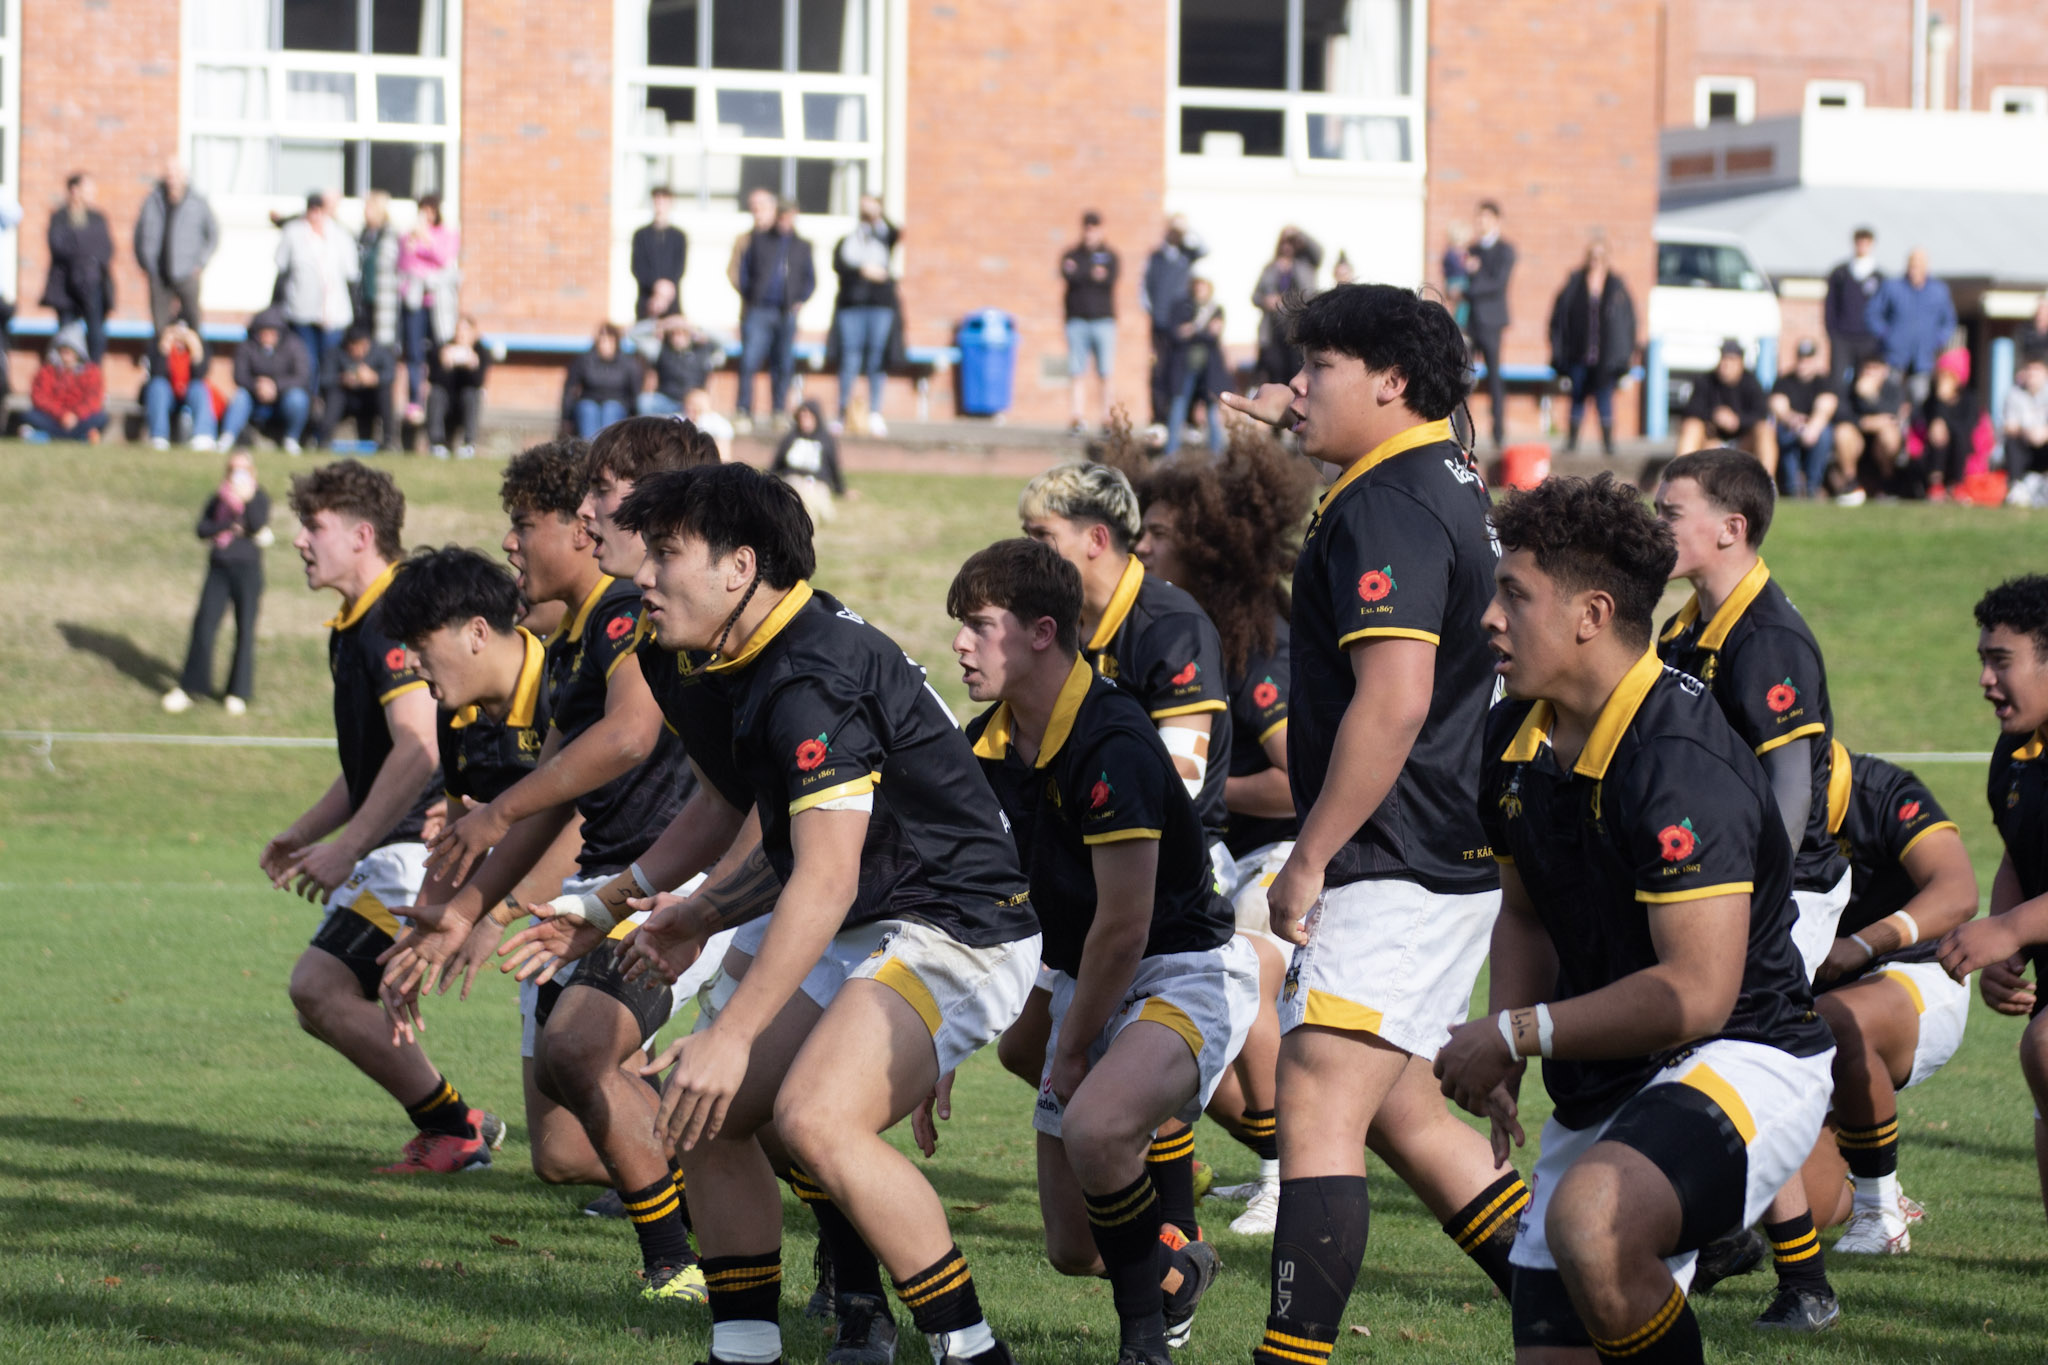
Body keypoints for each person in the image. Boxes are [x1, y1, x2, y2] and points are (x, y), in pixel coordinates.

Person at [588, 461, 1042, 1365]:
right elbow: (786, 841)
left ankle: (973, 1350)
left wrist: (731, 1032)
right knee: (699, 1112)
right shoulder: (743, 652)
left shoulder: (812, 677)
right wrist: (697, 910)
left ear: (739, 566)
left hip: (961, 927)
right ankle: (746, 1349)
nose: (643, 573)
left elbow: (827, 877)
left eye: (666, 553)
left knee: (814, 1119)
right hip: (872, 919)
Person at [1439, 471, 1834, 1365]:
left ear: (1591, 614)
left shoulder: (1679, 762)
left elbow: (1696, 994)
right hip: (1610, 1074)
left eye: (1514, 595)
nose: (1488, 618)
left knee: (1595, 1219)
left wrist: (1515, 1027)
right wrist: (1512, 1046)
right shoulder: (1512, 739)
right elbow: (1527, 915)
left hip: (1746, 1051)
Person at [1219, 283, 1537, 1359]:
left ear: (1390, 383)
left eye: (1318, 368)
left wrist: (1307, 857)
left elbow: (1394, 697)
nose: (1299, 386)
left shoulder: (1387, 502)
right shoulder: (1434, 469)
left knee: (1312, 1090)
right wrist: (1302, 417)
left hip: (1394, 849)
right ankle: (1578, 1314)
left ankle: (1290, 1353)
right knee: (1401, 1111)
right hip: (1442, 841)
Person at [951, 537, 1247, 1364]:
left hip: (1181, 966)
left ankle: (1143, 1347)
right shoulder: (987, 746)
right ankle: (1177, 1271)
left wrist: (1074, 1047)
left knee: (1096, 1128)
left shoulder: (1111, 738)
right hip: (1088, 966)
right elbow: (974, 902)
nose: (960, 645)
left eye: (979, 625)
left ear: (1042, 632)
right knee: (1072, 1248)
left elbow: (1126, 923)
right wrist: (937, 1039)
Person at [1653, 450, 1852, 1332]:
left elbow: (1790, 793)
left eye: (1671, 512)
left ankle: (1804, 1283)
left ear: (1730, 529)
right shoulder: (1688, 624)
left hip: (1785, 890)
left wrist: (1748, 908)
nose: (1657, 523)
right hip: (1722, 886)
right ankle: (1728, 1236)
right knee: (1695, 1054)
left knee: (1738, 1057)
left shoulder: (1765, 636)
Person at [258, 460, 500, 1173]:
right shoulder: (358, 622)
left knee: (319, 985)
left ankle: (455, 1126)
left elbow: (420, 745)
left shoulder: (396, 617)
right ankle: (457, 1118)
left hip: (417, 850)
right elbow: (372, 759)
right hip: (391, 846)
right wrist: (307, 832)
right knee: (326, 992)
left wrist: (348, 845)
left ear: (363, 534)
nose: (301, 541)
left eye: (315, 526)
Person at [1132, 443, 1321, 1237]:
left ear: (1206, 545)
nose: (1142, 544)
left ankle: (1287, 1178)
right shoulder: (1166, 627)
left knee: (1238, 961)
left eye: (1161, 533)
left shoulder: (1253, 641)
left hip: (1284, 853)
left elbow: (1293, 781)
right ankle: (1220, 1153)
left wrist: (1198, 797)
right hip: (1217, 852)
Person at [1791, 744, 1977, 1255]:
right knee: (1799, 1203)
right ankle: (1871, 1191)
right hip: (1812, 1011)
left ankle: (1880, 1216)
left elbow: (1958, 891)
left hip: (1919, 976)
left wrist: (1863, 945)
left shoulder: (1883, 790)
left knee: (1841, 1017)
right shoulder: (1748, 799)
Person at [1937, 576, 2048, 1221]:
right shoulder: (2014, 753)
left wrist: (2011, 929)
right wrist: (2006, 943)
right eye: (1983, 659)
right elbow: (2020, 845)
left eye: (2001, 661)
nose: (1985, 678)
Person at [163, 451, 270, 716]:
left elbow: (257, 524)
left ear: (253, 472)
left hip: (247, 570)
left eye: (244, 469)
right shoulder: (218, 498)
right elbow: (202, 529)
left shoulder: (259, 497)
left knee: (245, 630)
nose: (238, 474)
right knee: (204, 625)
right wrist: (229, 524)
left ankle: (238, 692)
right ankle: (192, 686)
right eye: (234, 469)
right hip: (219, 569)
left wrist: (245, 502)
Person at [1546, 235, 1637, 456]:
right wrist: (1559, 351)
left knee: (1604, 398)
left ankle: (1608, 444)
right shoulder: (1575, 283)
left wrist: (1626, 354)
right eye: (1592, 256)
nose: (1596, 261)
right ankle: (1572, 441)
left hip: (1606, 355)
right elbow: (1559, 318)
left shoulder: (1616, 286)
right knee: (1577, 397)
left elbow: (1628, 322)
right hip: (1579, 352)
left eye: (1601, 256)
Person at [736, 200, 815, 426]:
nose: (785, 221)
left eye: (790, 217)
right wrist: (752, 296)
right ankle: (744, 410)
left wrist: (800, 299)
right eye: (782, 216)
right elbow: (744, 272)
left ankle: (779, 412)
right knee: (749, 360)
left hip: (786, 312)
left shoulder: (802, 245)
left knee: (783, 363)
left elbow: (810, 279)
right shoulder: (760, 240)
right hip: (760, 310)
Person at [275, 191, 359, 378]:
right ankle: (311, 401)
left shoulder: (339, 234)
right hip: (301, 311)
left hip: (333, 312)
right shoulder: (294, 233)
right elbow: (282, 270)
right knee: (307, 361)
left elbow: (351, 274)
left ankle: (326, 402)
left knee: (330, 361)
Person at [833, 195, 899, 433]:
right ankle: (842, 411)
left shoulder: (884, 236)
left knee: (876, 358)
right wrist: (864, 270)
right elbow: (840, 264)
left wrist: (878, 215)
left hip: (880, 307)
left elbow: (894, 233)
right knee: (849, 358)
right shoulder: (850, 240)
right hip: (851, 306)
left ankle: (875, 412)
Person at [134, 156, 218, 334]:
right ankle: (160, 361)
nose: (172, 179)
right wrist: (145, 264)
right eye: (169, 174)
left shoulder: (198, 202)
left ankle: (196, 361)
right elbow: (139, 234)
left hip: (187, 272)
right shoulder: (152, 201)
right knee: (160, 327)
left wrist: (200, 264)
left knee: (193, 321)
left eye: (176, 174)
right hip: (158, 273)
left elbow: (213, 235)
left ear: (184, 176)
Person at [398, 193, 460, 424]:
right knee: (414, 352)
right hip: (415, 302)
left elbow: (445, 259)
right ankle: (415, 400)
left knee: (440, 350)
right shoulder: (408, 234)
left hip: (439, 305)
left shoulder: (447, 234)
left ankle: (441, 397)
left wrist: (427, 243)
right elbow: (406, 265)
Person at [1142, 215, 1206, 436]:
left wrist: (1187, 229)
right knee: (1159, 371)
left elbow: (1205, 247)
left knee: (1184, 371)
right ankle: (1159, 419)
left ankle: (1188, 420)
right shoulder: (1157, 257)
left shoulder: (1188, 254)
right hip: (1160, 326)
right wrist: (1155, 314)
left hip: (1182, 324)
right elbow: (1145, 289)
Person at [1867, 248, 1956, 407]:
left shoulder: (1938, 290)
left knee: (1919, 398)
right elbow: (1873, 313)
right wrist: (1886, 335)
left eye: (1919, 265)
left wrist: (1938, 340)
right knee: (1890, 397)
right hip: (1894, 355)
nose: (1915, 269)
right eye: (1912, 265)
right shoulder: (1892, 287)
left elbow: (1949, 321)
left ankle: (1915, 431)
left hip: (1923, 356)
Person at [43, 171, 114, 363]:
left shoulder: (97, 218)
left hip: (93, 286)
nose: (92, 193)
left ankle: (92, 379)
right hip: (65, 289)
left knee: (96, 336)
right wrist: (83, 257)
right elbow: (59, 247)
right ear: (74, 190)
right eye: (88, 188)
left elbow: (105, 250)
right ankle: (67, 382)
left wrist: (85, 263)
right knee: (67, 338)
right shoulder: (59, 218)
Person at [222, 306, 314, 454]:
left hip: (284, 396)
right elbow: (239, 375)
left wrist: (275, 386)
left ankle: (291, 438)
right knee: (240, 396)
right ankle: (227, 437)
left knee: (298, 398)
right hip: (254, 395)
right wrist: (257, 385)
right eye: (263, 333)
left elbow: (302, 377)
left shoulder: (294, 346)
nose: (267, 337)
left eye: (272, 333)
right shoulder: (247, 346)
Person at [1675, 340, 1775, 475]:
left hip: (1743, 444)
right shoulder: (1706, 381)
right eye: (1723, 359)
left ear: (1740, 363)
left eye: (1731, 360)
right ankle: (1680, 476)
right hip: (1711, 442)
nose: (1725, 364)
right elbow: (1690, 410)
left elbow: (1762, 413)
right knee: (1691, 425)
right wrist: (1714, 415)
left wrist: (1737, 420)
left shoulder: (1751, 382)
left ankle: (1767, 481)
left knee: (1765, 429)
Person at [1061, 211, 1120, 436]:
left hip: (1103, 321)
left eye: (1094, 227)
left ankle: (1107, 419)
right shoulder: (1073, 254)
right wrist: (1090, 274)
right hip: (1077, 321)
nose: (1090, 232)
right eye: (1087, 227)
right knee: (1077, 371)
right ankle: (1077, 417)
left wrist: (1083, 274)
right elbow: (1070, 275)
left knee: (1105, 371)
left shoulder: (1109, 255)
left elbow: (1108, 279)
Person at [1464, 200, 1516, 448]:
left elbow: (1498, 283)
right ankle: (1462, 434)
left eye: (1485, 218)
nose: (1480, 222)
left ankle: (1498, 432)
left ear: (1495, 220)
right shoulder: (1471, 249)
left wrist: (1475, 275)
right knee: (1463, 375)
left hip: (1492, 321)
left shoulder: (1505, 250)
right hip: (1470, 321)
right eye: (1478, 217)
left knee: (1494, 376)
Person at [1164, 275, 1229, 458]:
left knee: (1211, 407)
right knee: (1179, 405)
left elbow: (1213, 335)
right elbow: (1176, 334)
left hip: (1209, 368)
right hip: (1185, 365)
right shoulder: (1181, 306)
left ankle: (1217, 453)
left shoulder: (1215, 309)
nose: (1201, 289)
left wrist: (1192, 330)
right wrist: (1199, 329)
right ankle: (1171, 452)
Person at [1829, 352, 1907, 506]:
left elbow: (1892, 418)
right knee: (1843, 432)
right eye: (1867, 368)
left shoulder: (1893, 389)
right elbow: (1841, 416)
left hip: (1880, 446)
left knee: (1890, 434)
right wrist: (1865, 422)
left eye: (1875, 368)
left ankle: (1888, 484)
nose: (1870, 372)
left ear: (1884, 371)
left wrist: (1871, 397)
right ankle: (1850, 484)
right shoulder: (1850, 389)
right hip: (1856, 442)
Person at [1767, 340, 1838, 499]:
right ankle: (1792, 487)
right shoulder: (1784, 381)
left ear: (1814, 360)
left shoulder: (1824, 381)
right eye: (1801, 358)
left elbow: (1826, 405)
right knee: (1783, 433)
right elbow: (1778, 405)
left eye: (1808, 359)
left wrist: (1812, 427)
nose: (1804, 363)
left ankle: (1813, 485)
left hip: (1814, 429)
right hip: (1791, 427)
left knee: (1825, 434)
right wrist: (1792, 420)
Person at [1909, 347, 1979, 500]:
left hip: (1960, 450)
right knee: (1938, 433)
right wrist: (1940, 405)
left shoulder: (1970, 399)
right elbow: (1926, 424)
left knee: (1956, 434)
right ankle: (1936, 483)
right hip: (1935, 451)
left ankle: (1957, 483)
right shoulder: (1932, 401)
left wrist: (1944, 423)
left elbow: (1967, 427)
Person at [317, 325, 399, 451]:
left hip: (371, 399)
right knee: (334, 394)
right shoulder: (335, 352)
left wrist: (374, 378)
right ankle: (324, 440)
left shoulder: (380, 352)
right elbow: (324, 379)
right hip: (345, 400)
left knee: (385, 391)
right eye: (355, 347)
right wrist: (343, 379)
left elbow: (391, 374)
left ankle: (389, 442)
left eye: (362, 346)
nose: (359, 351)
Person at [22, 323, 107, 443]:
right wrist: (61, 415)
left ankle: (48, 437)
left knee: (100, 417)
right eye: (62, 351)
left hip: (78, 420)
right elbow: (39, 397)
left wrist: (76, 415)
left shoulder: (91, 372)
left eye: (69, 351)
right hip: (54, 418)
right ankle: (80, 438)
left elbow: (93, 400)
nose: (66, 356)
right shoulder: (47, 371)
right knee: (30, 415)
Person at [142, 319, 220, 451]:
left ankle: (203, 435)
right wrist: (164, 348)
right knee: (158, 385)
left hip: (189, 393)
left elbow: (200, 374)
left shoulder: (200, 347)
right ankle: (159, 437)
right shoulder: (158, 345)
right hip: (167, 394)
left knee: (199, 387)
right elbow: (156, 373)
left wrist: (195, 350)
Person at [1253, 229, 1316, 387]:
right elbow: (1255, 296)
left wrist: (1300, 234)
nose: (1287, 247)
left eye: (1291, 243)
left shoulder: (1304, 265)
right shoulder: (1270, 268)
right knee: (1275, 371)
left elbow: (1309, 295)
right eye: (1284, 242)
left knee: (1296, 370)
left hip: (1297, 328)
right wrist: (1265, 300)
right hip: (1274, 330)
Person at [770, 399, 846, 525]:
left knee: (824, 509)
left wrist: (841, 489)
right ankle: (807, 520)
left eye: (808, 417)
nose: (805, 421)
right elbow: (776, 464)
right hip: (795, 479)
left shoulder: (826, 439)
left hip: (818, 482)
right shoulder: (791, 437)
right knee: (802, 494)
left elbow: (834, 467)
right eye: (802, 417)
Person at [1823, 227, 1883, 383]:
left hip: (1867, 337)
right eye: (1859, 242)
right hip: (1842, 336)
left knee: (1862, 377)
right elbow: (1830, 305)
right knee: (1837, 377)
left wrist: (1878, 333)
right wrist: (1832, 331)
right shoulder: (1840, 273)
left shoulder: (1880, 276)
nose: (1862, 246)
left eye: (1866, 243)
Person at [427, 314, 491, 459]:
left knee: (472, 394)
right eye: (458, 329)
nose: (460, 334)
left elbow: (478, 382)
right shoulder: (444, 348)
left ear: (473, 332)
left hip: (465, 404)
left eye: (465, 330)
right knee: (436, 393)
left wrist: (472, 365)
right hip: (446, 401)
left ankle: (469, 444)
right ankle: (436, 444)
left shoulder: (480, 351)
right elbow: (434, 380)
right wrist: (445, 365)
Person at [562, 323, 642, 439]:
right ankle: (589, 448)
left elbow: (635, 393)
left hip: (617, 403)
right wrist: (566, 417)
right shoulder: (585, 361)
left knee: (611, 409)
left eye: (609, 340)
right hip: (589, 401)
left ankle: (606, 449)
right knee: (587, 409)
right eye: (602, 340)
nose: (606, 345)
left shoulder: (628, 364)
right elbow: (570, 389)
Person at [637, 312, 722, 417]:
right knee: (645, 401)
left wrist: (696, 327)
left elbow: (726, 341)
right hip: (667, 401)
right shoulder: (660, 349)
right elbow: (634, 335)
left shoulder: (703, 350)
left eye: (682, 333)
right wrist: (662, 324)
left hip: (694, 402)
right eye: (673, 333)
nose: (677, 337)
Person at [631, 186, 688, 321]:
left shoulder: (679, 236)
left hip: (672, 302)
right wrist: (656, 287)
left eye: (664, 200)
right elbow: (637, 267)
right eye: (657, 200)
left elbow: (679, 267)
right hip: (646, 300)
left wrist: (665, 292)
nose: (660, 204)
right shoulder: (641, 235)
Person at [354, 190, 401, 350]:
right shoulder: (363, 234)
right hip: (363, 297)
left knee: (382, 344)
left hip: (383, 297)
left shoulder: (390, 233)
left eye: (368, 208)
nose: (365, 212)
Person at [2001, 355, 2048, 506]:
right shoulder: (2014, 394)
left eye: (2036, 370)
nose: (2031, 374)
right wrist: (2026, 432)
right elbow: (2008, 426)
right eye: (2029, 370)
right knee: (2012, 441)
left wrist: (2044, 434)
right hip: (2025, 446)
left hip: (2045, 445)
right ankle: (2016, 487)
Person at [684, 387, 735, 461]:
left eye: (697, 406)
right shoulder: (679, 420)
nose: (692, 409)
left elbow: (724, 457)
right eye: (690, 405)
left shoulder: (719, 425)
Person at [1440, 222, 1471, 329]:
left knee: (1463, 305)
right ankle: (1459, 324)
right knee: (1462, 304)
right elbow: (1457, 267)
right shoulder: (1452, 253)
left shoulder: (1457, 252)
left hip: (1457, 280)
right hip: (1457, 281)